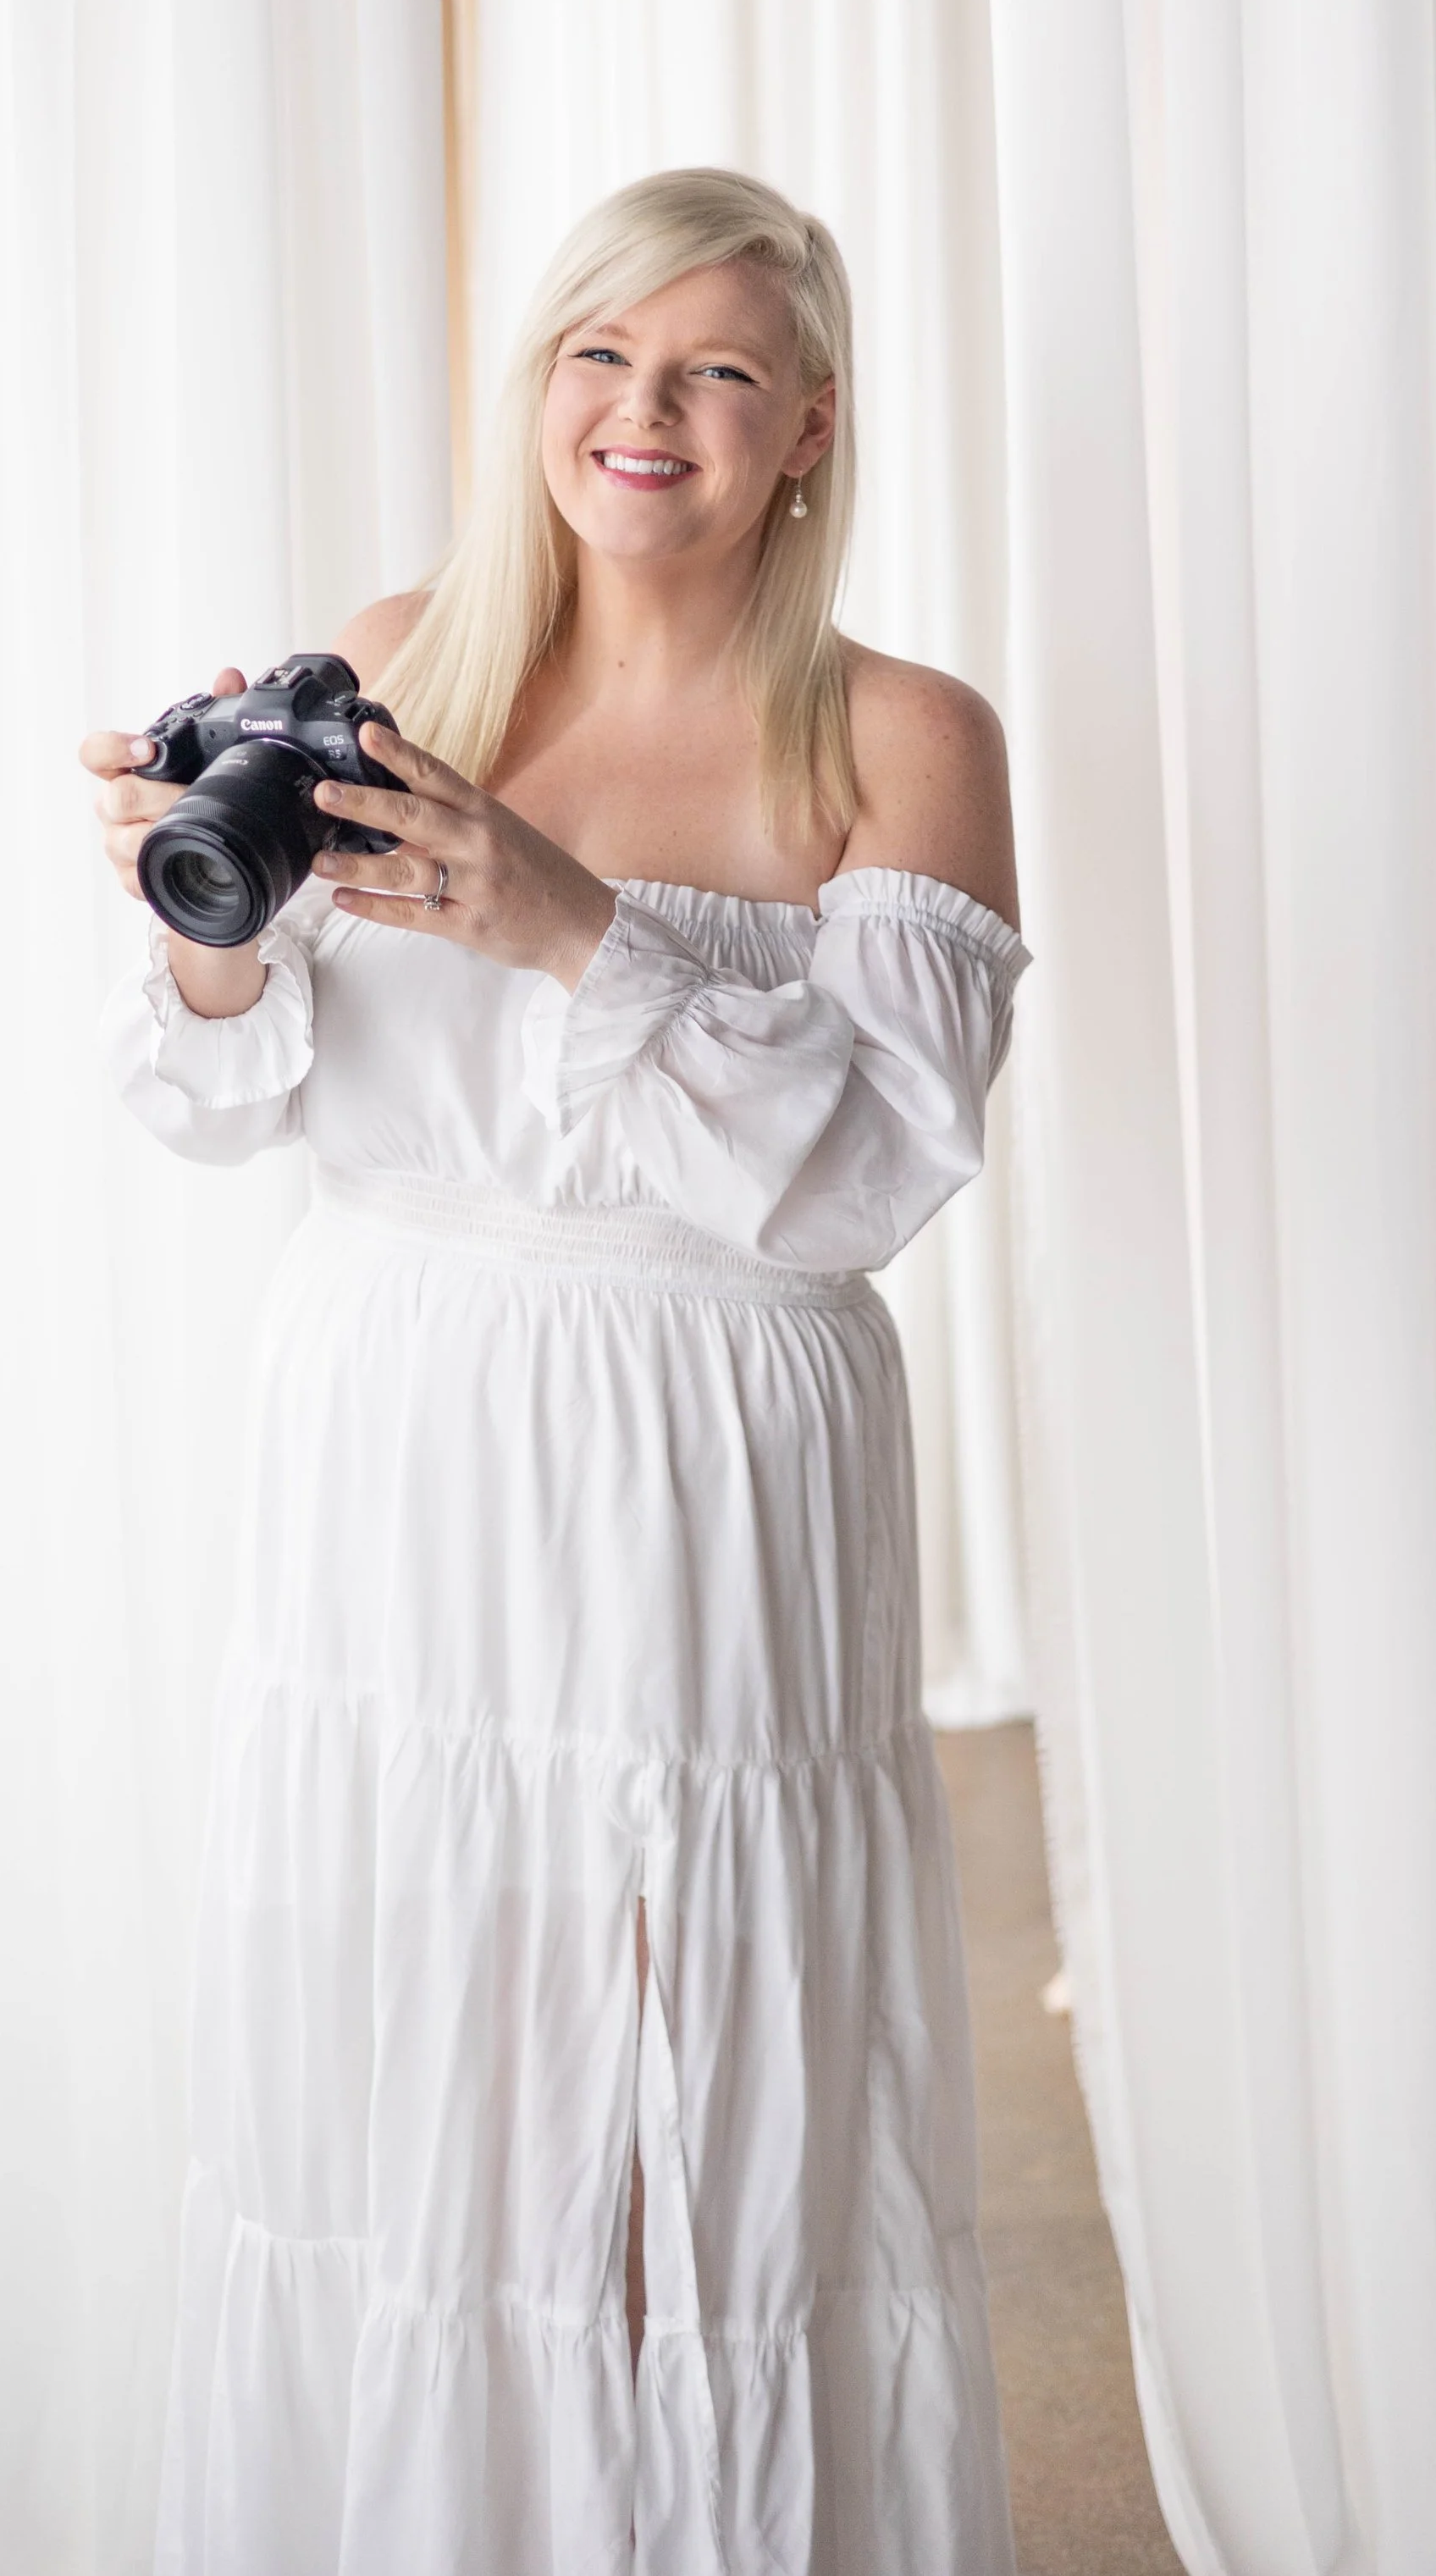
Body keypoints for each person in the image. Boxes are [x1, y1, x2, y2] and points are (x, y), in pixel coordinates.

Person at [83, 169, 1029, 2575]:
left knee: (675, 2053)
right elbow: (219, 1099)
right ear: (538, 386)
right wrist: (193, 916)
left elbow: (868, 1179)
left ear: (809, 425)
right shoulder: (397, 659)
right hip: (401, 1416)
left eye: (717, 369)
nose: (646, 410)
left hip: (710, 1448)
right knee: (419, 2027)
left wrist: (570, 924)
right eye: (599, 351)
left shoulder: (900, 734)